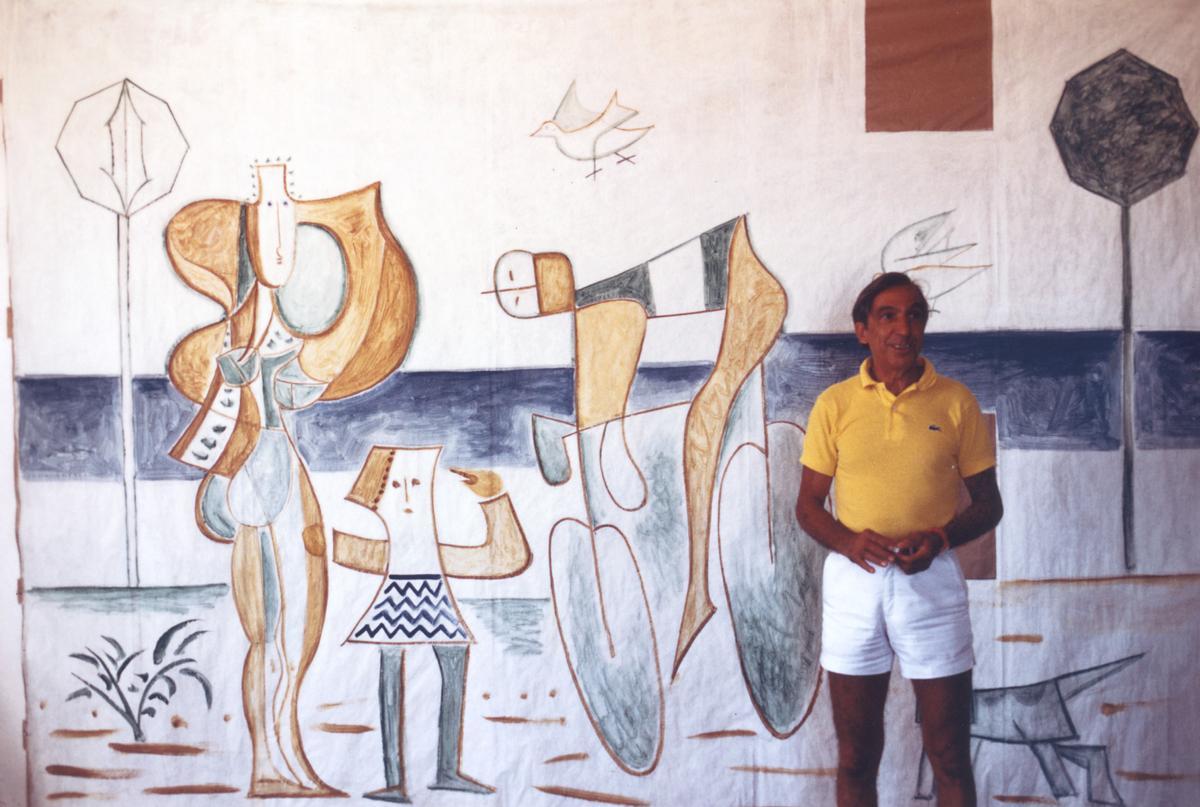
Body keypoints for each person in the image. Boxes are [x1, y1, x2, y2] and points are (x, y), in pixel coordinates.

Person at [795, 272, 1003, 807]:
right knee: (856, 757)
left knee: (950, 755)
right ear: (862, 330)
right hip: (853, 584)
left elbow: (989, 504)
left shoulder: (956, 403)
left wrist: (940, 538)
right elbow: (808, 507)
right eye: (887, 316)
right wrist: (848, 543)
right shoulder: (834, 405)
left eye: (914, 315)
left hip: (932, 582)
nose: (903, 328)